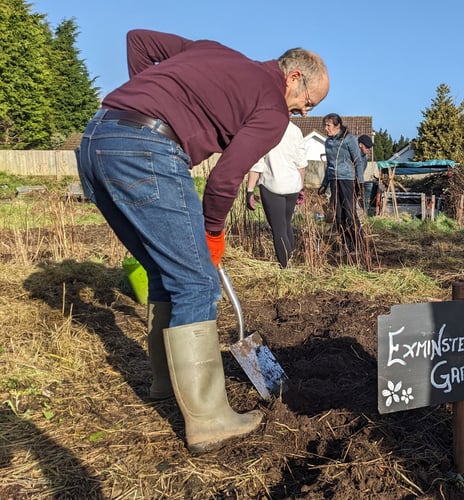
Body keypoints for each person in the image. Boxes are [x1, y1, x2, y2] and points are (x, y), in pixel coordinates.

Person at [75, 29, 329, 453]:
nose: (304, 112)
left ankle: (165, 384)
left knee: (164, 270)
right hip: (145, 149)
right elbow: (225, 179)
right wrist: (213, 236)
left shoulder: (214, 51)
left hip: (96, 141)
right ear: (295, 76)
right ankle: (210, 419)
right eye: (308, 102)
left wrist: (149, 97)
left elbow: (138, 41)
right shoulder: (272, 110)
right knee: (196, 283)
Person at [245, 121, 307, 268]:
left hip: (272, 185)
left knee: (279, 229)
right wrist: (301, 187)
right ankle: (290, 261)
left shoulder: (265, 127)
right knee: (286, 225)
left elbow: (257, 164)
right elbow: (301, 163)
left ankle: (284, 267)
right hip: (293, 185)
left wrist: (249, 190)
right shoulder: (295, 130)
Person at [319, 113, 363, 255]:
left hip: (347, 179)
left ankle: (358, 245)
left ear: (337, 126)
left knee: (349, 214)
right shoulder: (328, 143)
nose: (326, 128)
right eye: (325, 125)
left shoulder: (349, 139)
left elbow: (358, 161)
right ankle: (346, 245)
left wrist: (360, 182)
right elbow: (329, 165)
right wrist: (324, 183)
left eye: (328, 125)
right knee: (338, 216)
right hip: (334, 180)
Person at [357, 134, 373, 211]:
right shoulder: (353, 156)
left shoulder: (364, 158)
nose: (369, 149)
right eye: (367, 147)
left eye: (369, 148)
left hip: (357, 183)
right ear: (360, 145)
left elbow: (361, 171)